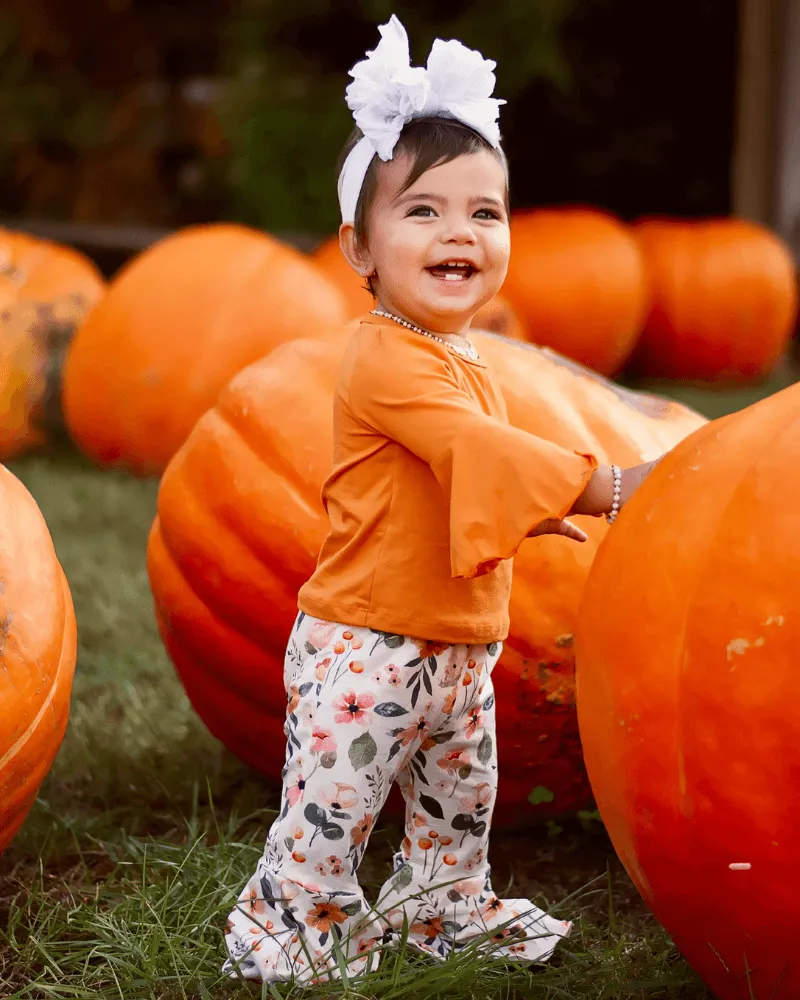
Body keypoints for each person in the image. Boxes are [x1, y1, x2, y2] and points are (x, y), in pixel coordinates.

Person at [223, 14, 660, 985]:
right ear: (359, 249)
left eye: (483, 212)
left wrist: (539, 505)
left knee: (456, 795)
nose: (458, 231)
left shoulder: (462, 357)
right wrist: (602, 486)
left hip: (459, 639)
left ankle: (442, 899)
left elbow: (475, 478)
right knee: (337, 798)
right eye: (421, 212)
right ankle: (296, 913)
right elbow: (476, 451)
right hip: (367, 640)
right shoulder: (379, 356)